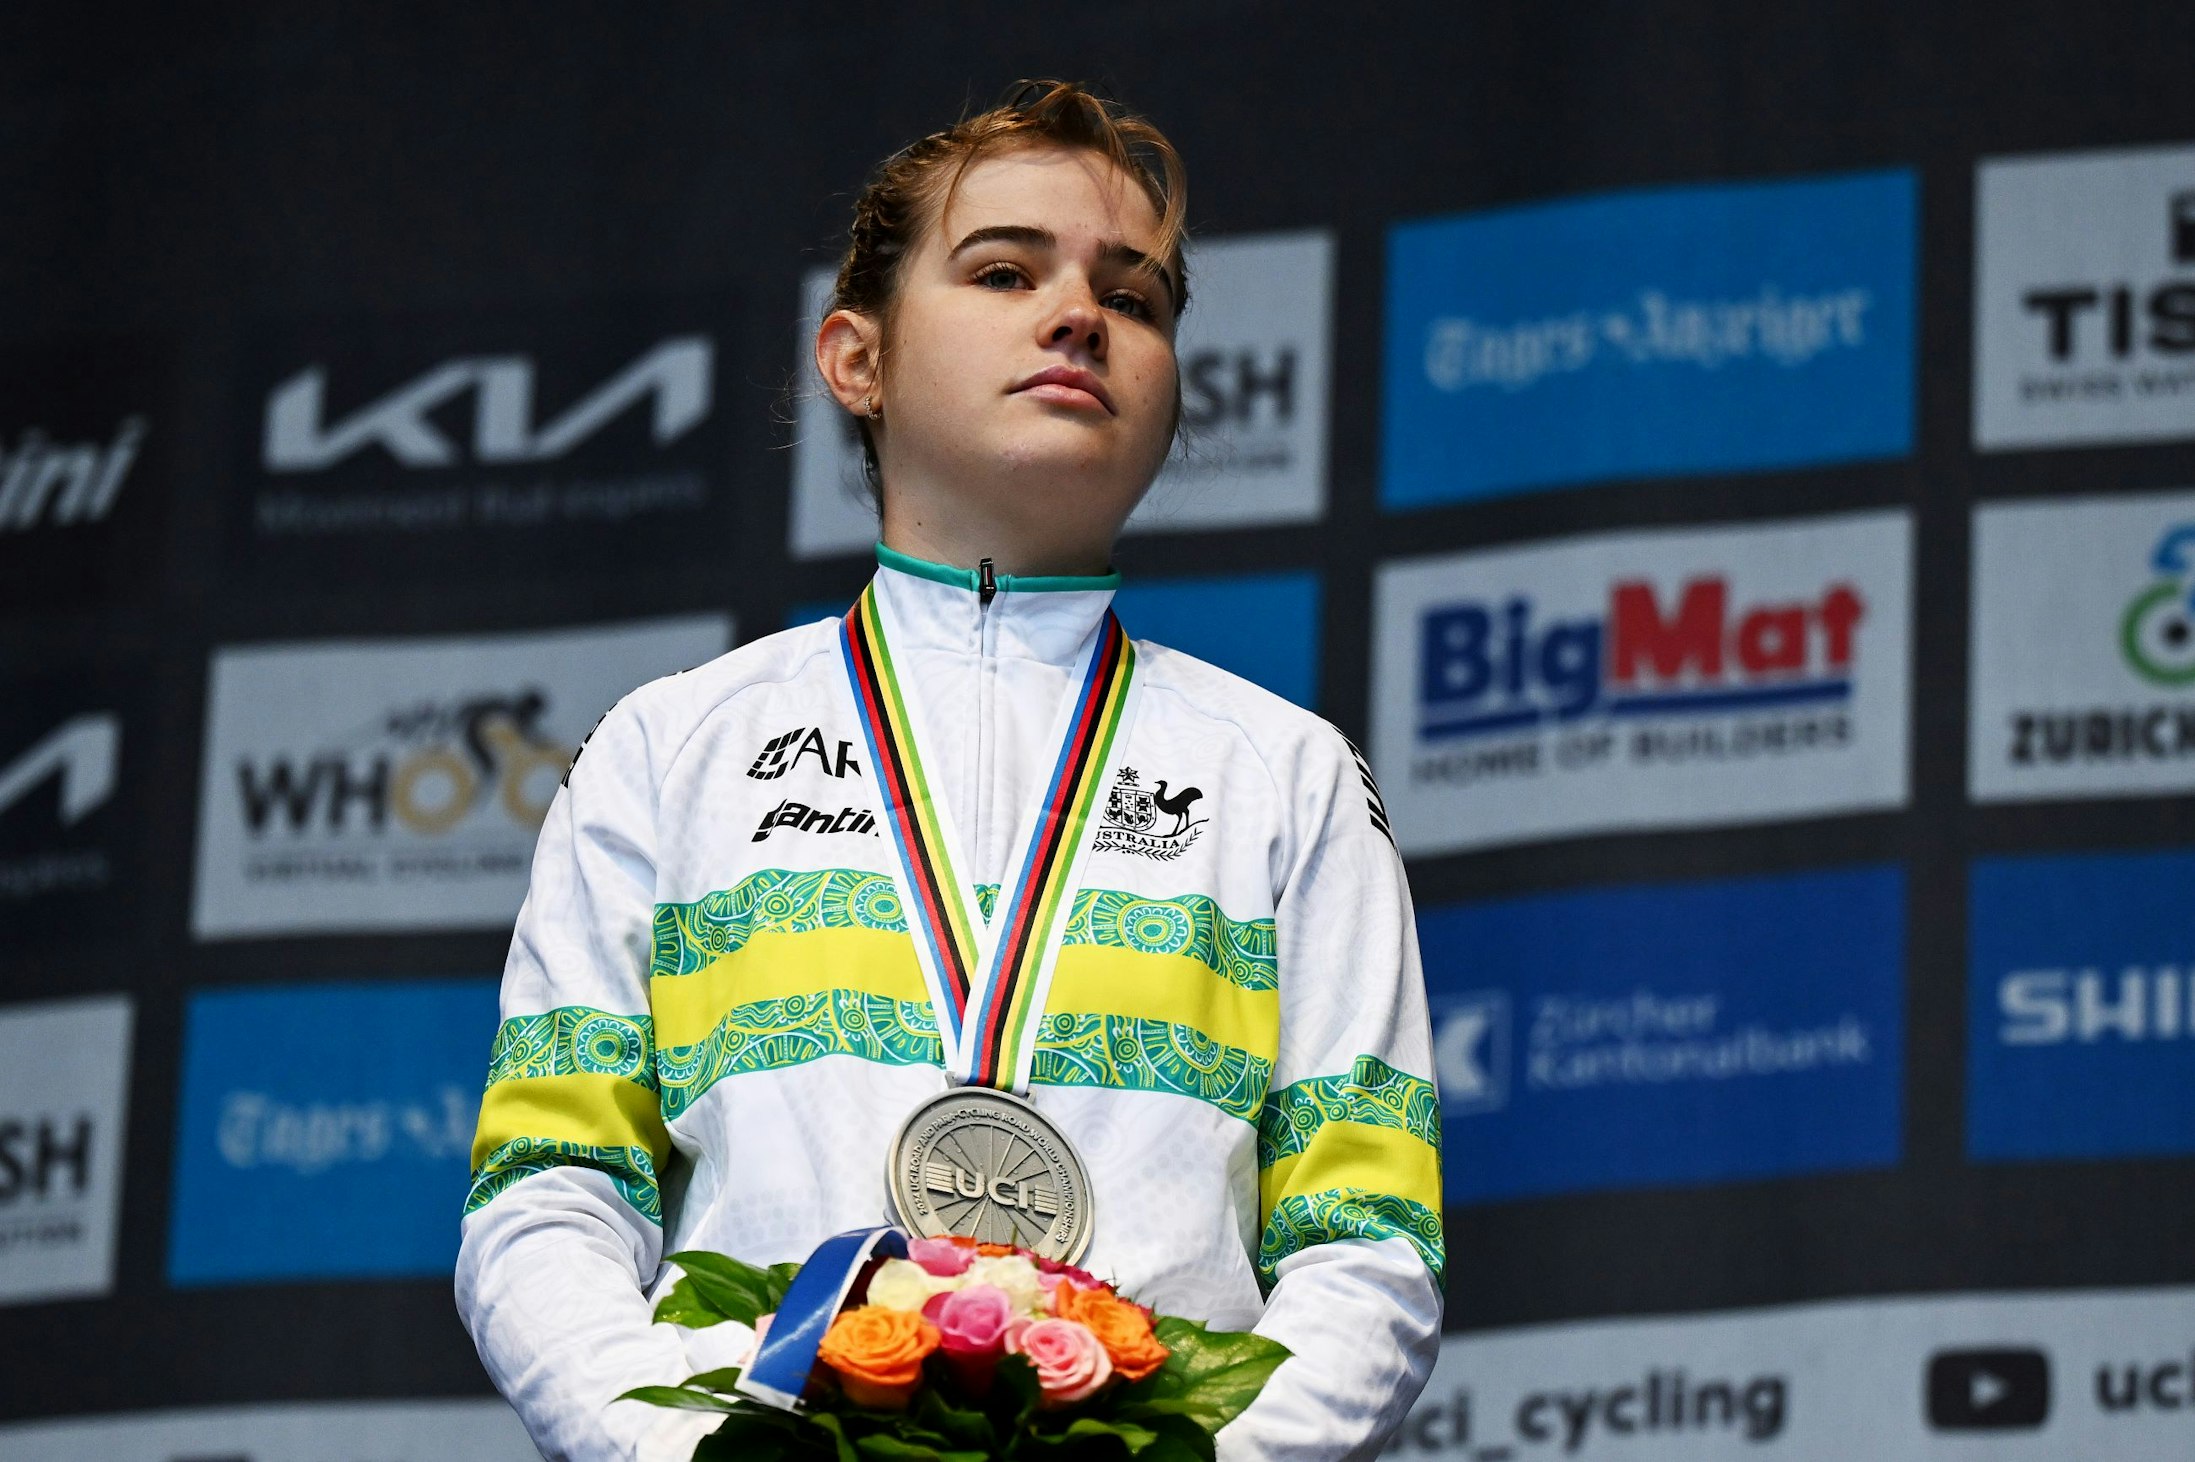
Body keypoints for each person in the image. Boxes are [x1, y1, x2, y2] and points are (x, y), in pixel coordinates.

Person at [456, 80, 1444, 1462]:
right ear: (855, 359)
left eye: (1135, 297)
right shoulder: (670, 751)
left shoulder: (1288, 777)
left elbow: (1367, 1243)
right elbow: (548, 1193)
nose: (1080, 315)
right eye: (1003, 271)